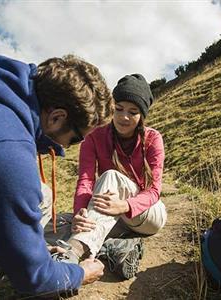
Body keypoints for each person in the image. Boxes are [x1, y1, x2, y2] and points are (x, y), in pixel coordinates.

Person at [0, 53, 114, 299]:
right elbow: (33, 278)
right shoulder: (5, 149)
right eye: (76, 138)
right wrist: (79, 274)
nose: (67, 148)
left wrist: (32, 245)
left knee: (31, 204)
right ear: (57, 117)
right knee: (17, 222)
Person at [48, 74, 167, 279]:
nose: (124, 117)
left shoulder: (153, 138)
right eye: (118, 108)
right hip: (109, 214)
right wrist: (80, 213)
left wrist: (125, 205)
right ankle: (117, 245)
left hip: (147, 214)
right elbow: (85, 180)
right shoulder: (94, 136)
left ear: (142, 116)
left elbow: (154, 191)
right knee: (51, 225)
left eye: (133, 112)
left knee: (111, 176)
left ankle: (74, 252)